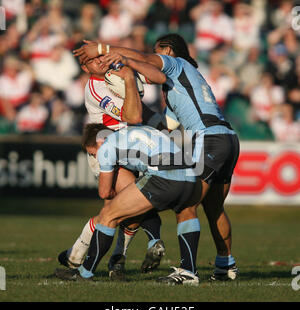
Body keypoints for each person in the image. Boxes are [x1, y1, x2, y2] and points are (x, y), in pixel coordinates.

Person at [74, 33, 240, 282]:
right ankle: (225, 265)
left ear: (169, 50)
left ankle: (187, 272)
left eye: (157, 51)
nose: (154, 56)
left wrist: (109, 50)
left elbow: (147, 63)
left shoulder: (176, 64)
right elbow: (165, 126)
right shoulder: (182, 85)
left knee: (186, 205)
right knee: (214, 207)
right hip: (228, 138)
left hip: (208, 140)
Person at [57, 53, 172, 280]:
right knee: (122, 207)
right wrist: (130, 79)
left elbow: (155, 85)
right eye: (91, 60)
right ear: (84, 66)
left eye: (100, 56)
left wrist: (161, 124)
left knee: (123, 210)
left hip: (128, 149)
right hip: (106, 150)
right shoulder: (96, 88)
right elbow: (133, 115)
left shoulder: (116, 74)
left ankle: (80, 256)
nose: (98, 61)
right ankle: (111, 261)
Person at [55, 123, 201, 285]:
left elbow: (104, 192)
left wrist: (119, 196)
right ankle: (189, 271)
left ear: (100, 141)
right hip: (190, 174)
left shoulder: (106, 147)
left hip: (163, 173)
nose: (95, 157)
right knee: (186, 213)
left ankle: (85, 273)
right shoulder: (136, 131)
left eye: (92, 153)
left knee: (108, 215)